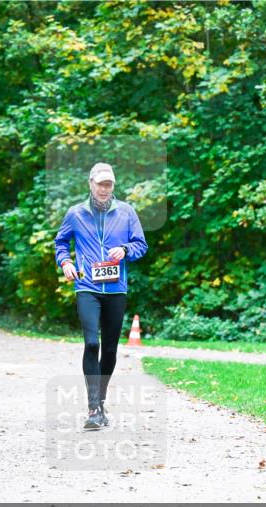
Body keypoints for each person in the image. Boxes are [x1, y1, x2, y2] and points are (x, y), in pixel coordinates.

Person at [54, 162, 148, 430]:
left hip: (116, 288)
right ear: (91, 184)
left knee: (109, 348)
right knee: (91, 344)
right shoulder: (75, 213)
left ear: (113, 186)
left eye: (109, 184)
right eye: (100, 184)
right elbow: (61, 243)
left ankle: (102, 400)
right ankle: (93, 408)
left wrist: (126, 250)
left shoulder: (127, 212)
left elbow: (141, 245)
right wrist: (66, 264)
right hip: (87, 287)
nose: (104, 189)